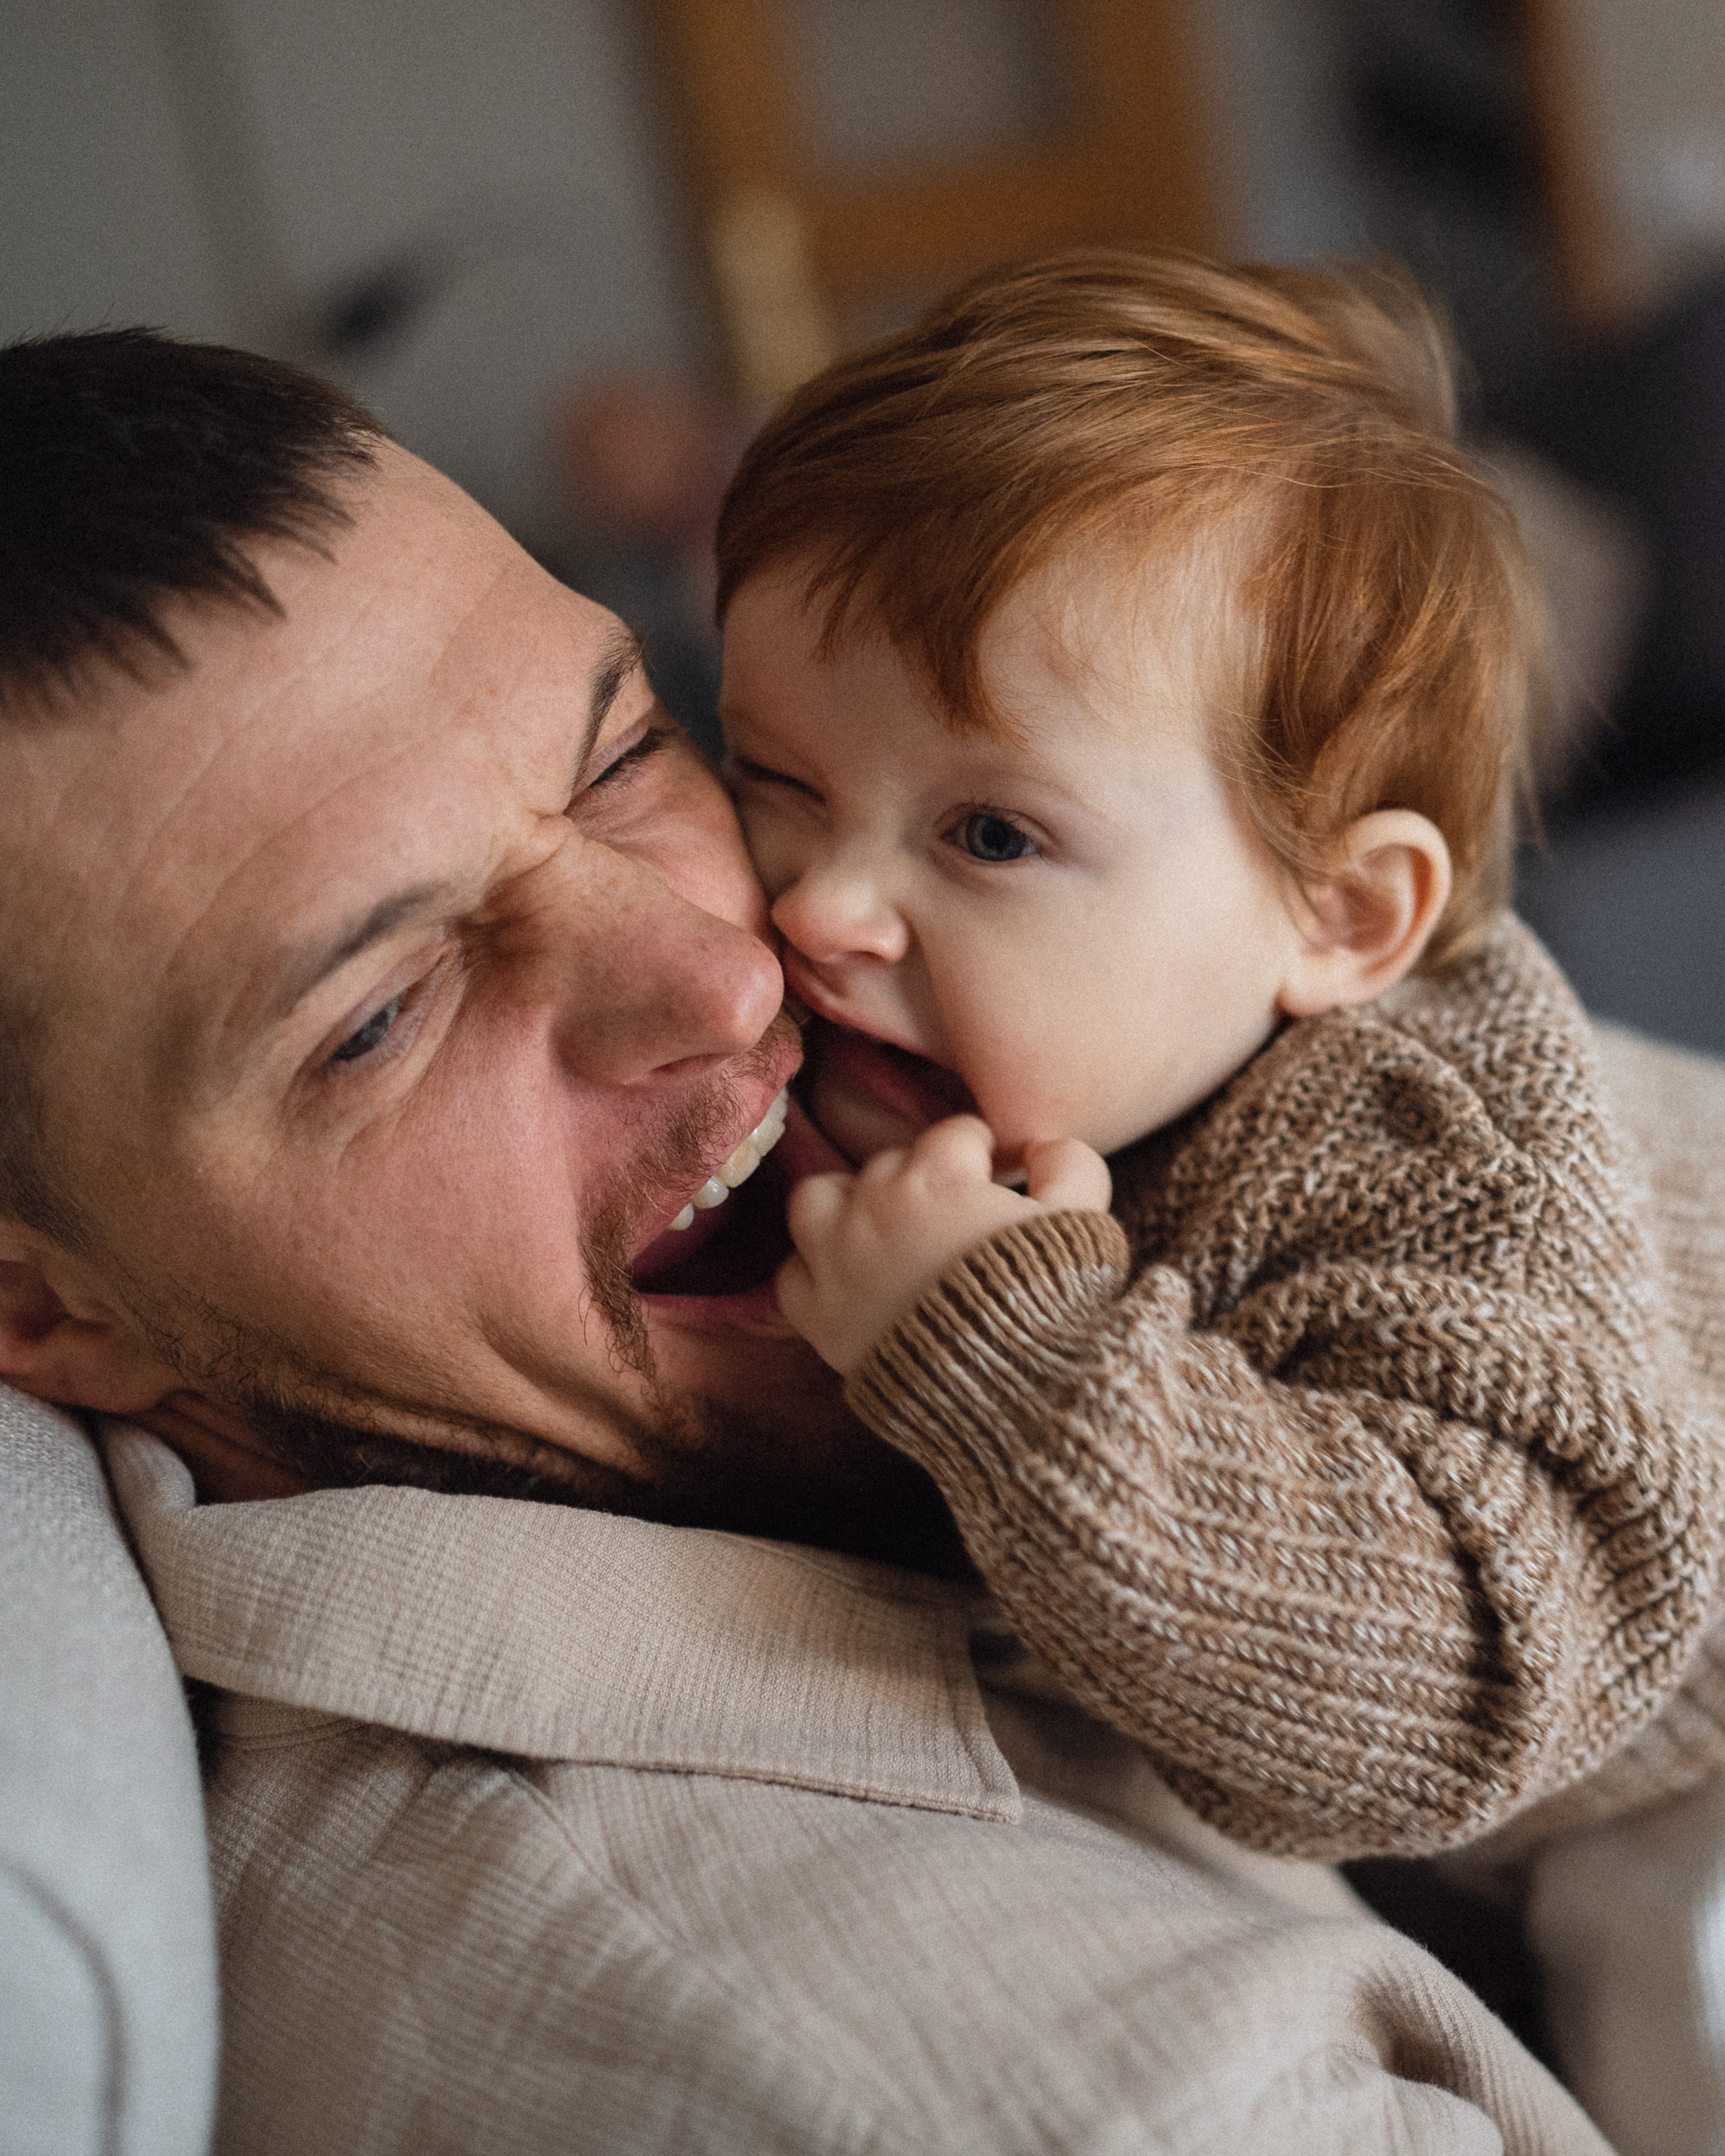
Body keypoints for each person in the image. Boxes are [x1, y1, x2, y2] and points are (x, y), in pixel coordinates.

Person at [0, 325, 1622, 2153]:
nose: (738, 961)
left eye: (627, 759)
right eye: (381, 1015)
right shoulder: (1012, 2090)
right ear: (35, 1298)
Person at [714, 250, 1725, 1861]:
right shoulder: (1003, 1043)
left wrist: (1002, 1356)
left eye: (986, 832)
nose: (821, 903)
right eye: (773, 774)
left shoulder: (1412, 1153)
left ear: (1334, 919)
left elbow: (1467, 1683)